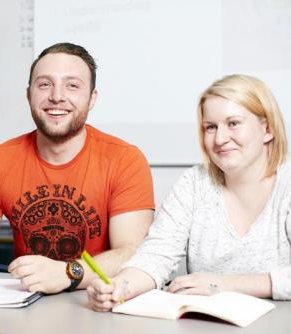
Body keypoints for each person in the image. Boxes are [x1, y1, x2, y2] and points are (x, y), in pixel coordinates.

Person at [0, 42, 155, 294]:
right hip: (28, 302)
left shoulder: (125, 160)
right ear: (29, 94)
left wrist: (68, 273)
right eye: (45, 84)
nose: (57, 96)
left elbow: (132, 254)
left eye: (72, 85)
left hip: (99, 301)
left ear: (92, 98)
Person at [87, 74, 291, 312]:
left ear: (267, 130)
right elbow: (156, 254)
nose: (220, 139)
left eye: (233, 123)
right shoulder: (193, 183)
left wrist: (222, 285)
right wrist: (119, 286)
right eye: (210, 127)